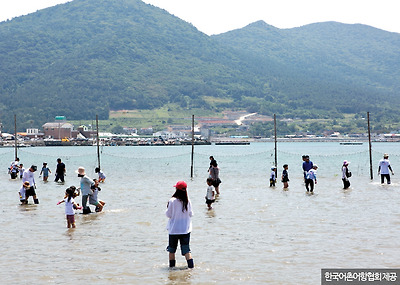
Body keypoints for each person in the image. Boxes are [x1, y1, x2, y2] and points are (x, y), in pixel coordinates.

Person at [166, 181, 194, 269]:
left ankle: (171, 269)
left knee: (172, 250)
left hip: (174, 230)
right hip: (185, 230)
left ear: (176, 190)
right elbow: (191, 214)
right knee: (186, 251)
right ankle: (191, 268)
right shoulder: (187, 201)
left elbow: (168, 215)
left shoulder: (172, 201)